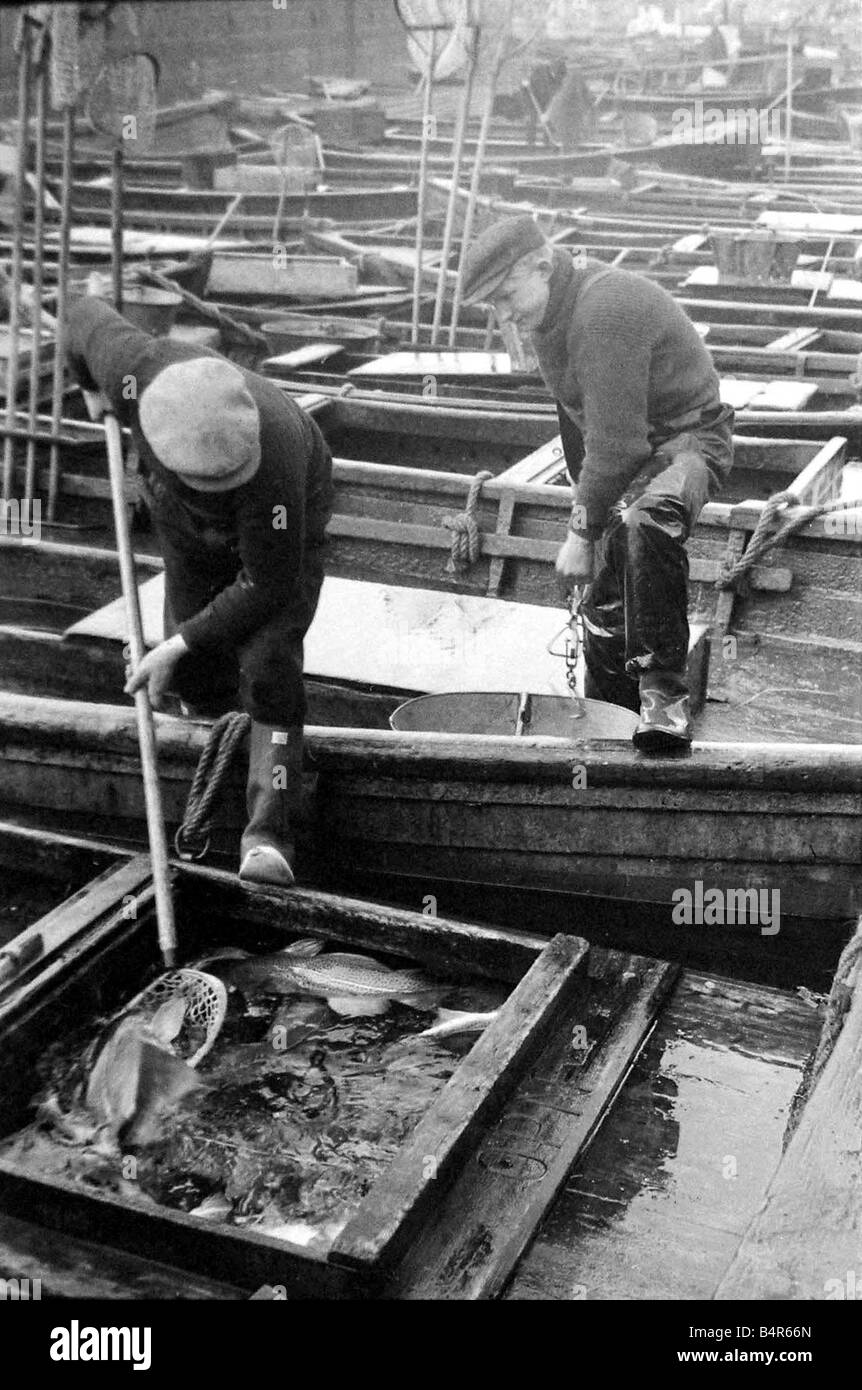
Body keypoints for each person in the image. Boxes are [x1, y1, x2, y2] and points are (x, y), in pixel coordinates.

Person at [66, 292, 333, 884]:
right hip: (179, 520)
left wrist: (176, 641)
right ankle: (216, 763)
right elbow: (78, 314)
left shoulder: (276, 463)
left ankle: (270, 829)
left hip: (277, 529)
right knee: (192, 669)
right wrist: (88, 389)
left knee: (267, 664)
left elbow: (268, 584)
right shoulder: (131, 369)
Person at [460, 216, 734, 752]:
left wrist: (578, 534)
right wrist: (590, 513)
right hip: (632, 452)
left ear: (541, 266)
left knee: (645, 522)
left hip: (691, 441)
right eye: (493, 305)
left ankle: (664, 698)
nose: (505, 315)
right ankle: (609, 708)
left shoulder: (604, 311)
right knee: (607, 593)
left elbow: (618, 446)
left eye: (507, 296)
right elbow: (580, 419)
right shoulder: (547, 317)